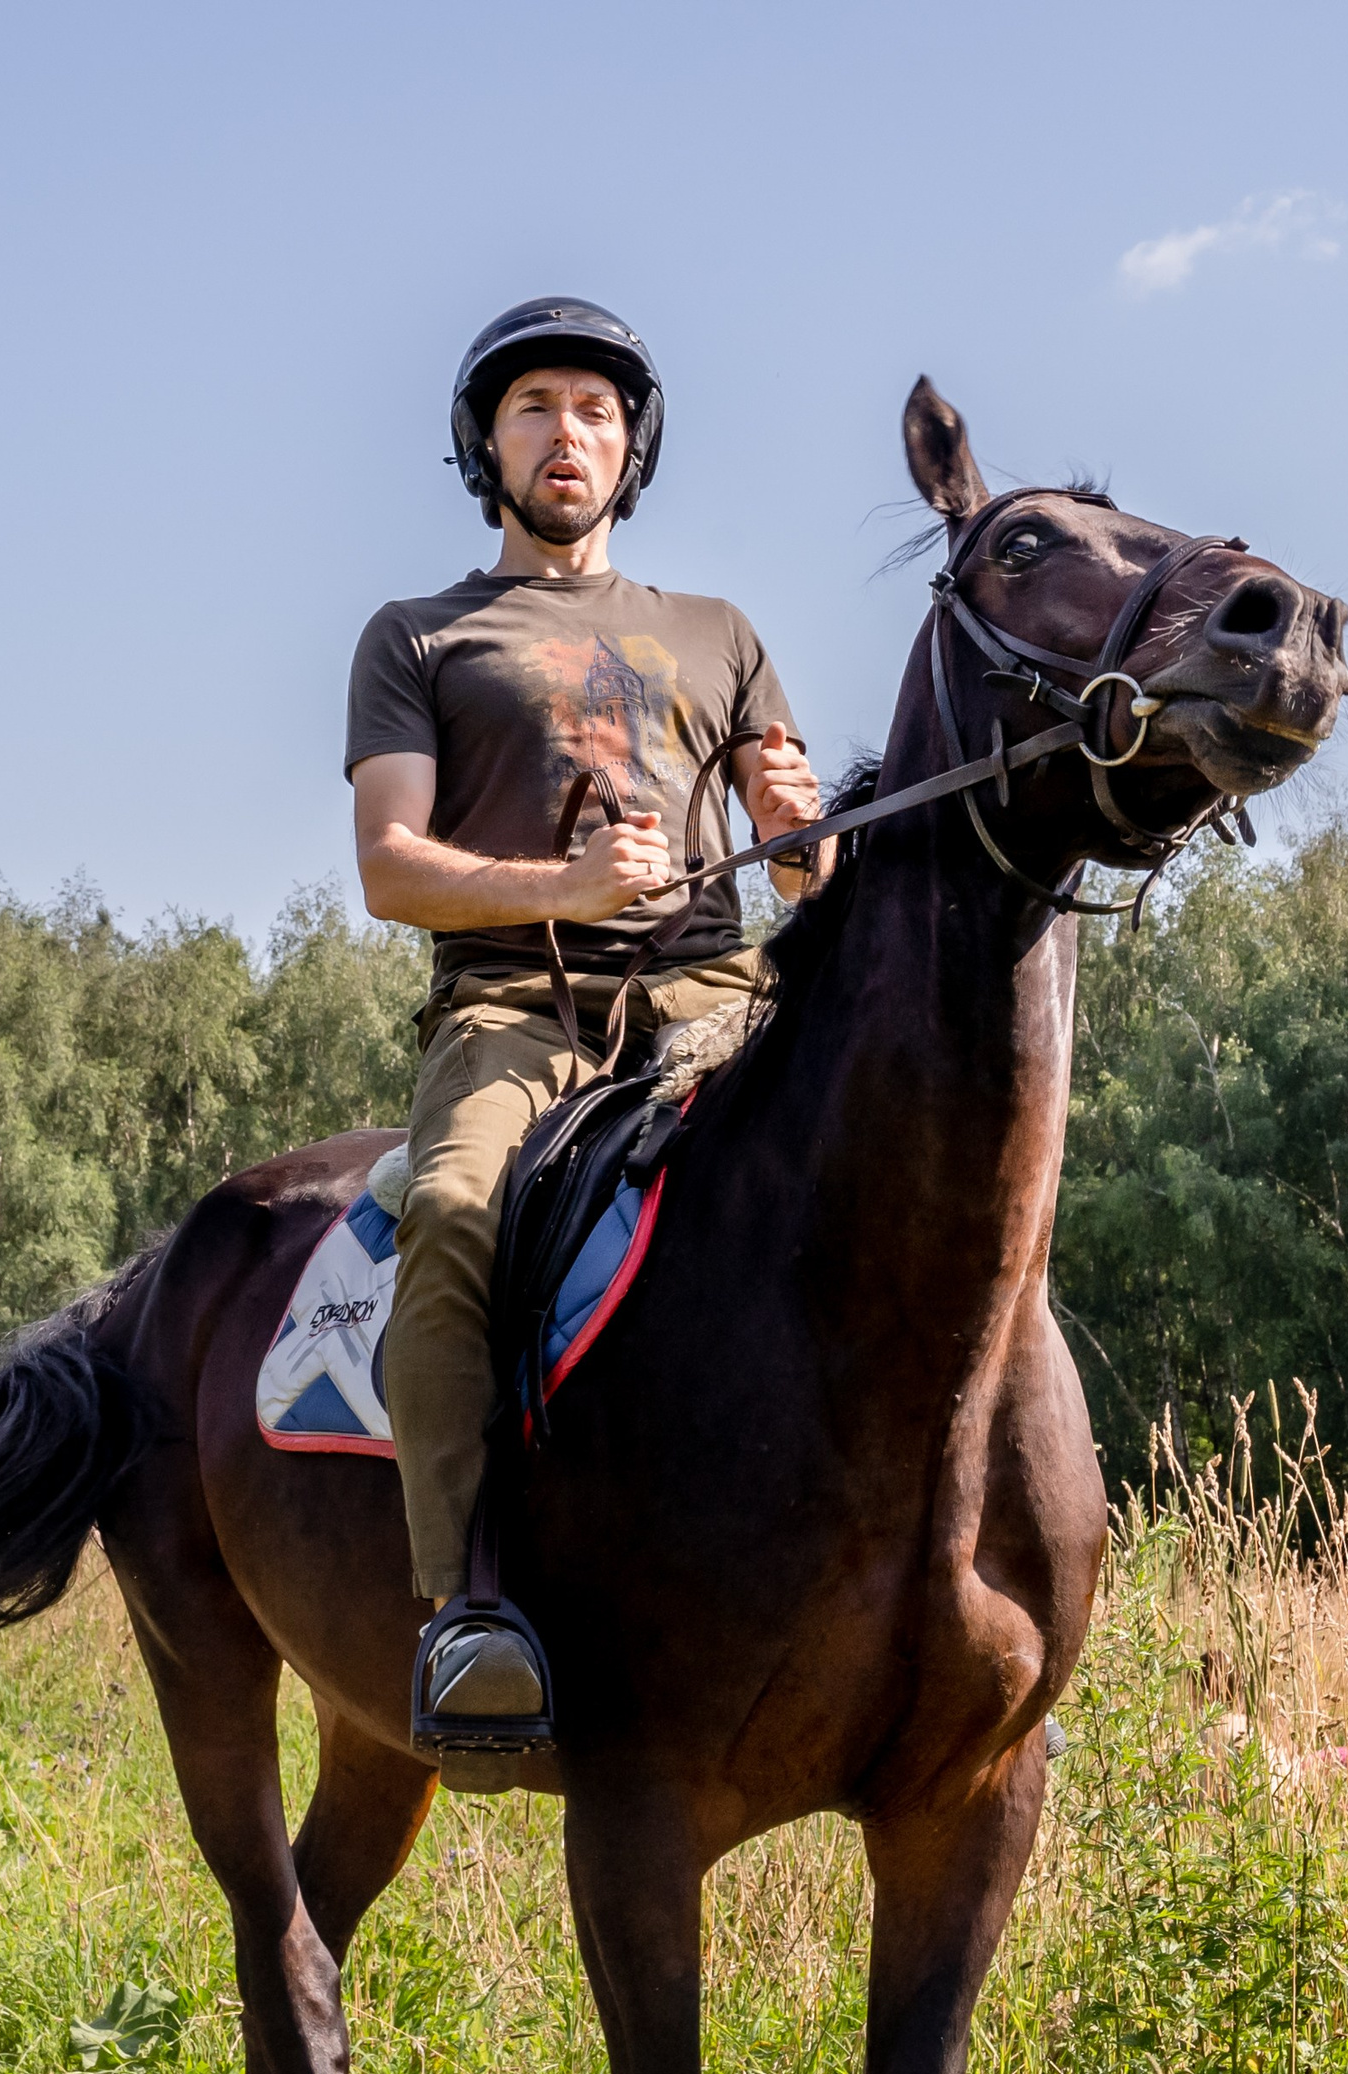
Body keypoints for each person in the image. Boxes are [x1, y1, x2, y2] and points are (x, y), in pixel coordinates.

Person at [348, 298, 826, 1728]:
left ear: (635, 448)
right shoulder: (419, 634)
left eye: (600, 410)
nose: (572, 433)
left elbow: (801, 866)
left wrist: (805, 831)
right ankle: (466, 1599)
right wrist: (558, 880)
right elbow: (388, 867)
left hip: (716, 995)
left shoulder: (718, 631)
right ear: (485, 444)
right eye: (539, 406)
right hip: (512, 1008)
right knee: (450, 1209)